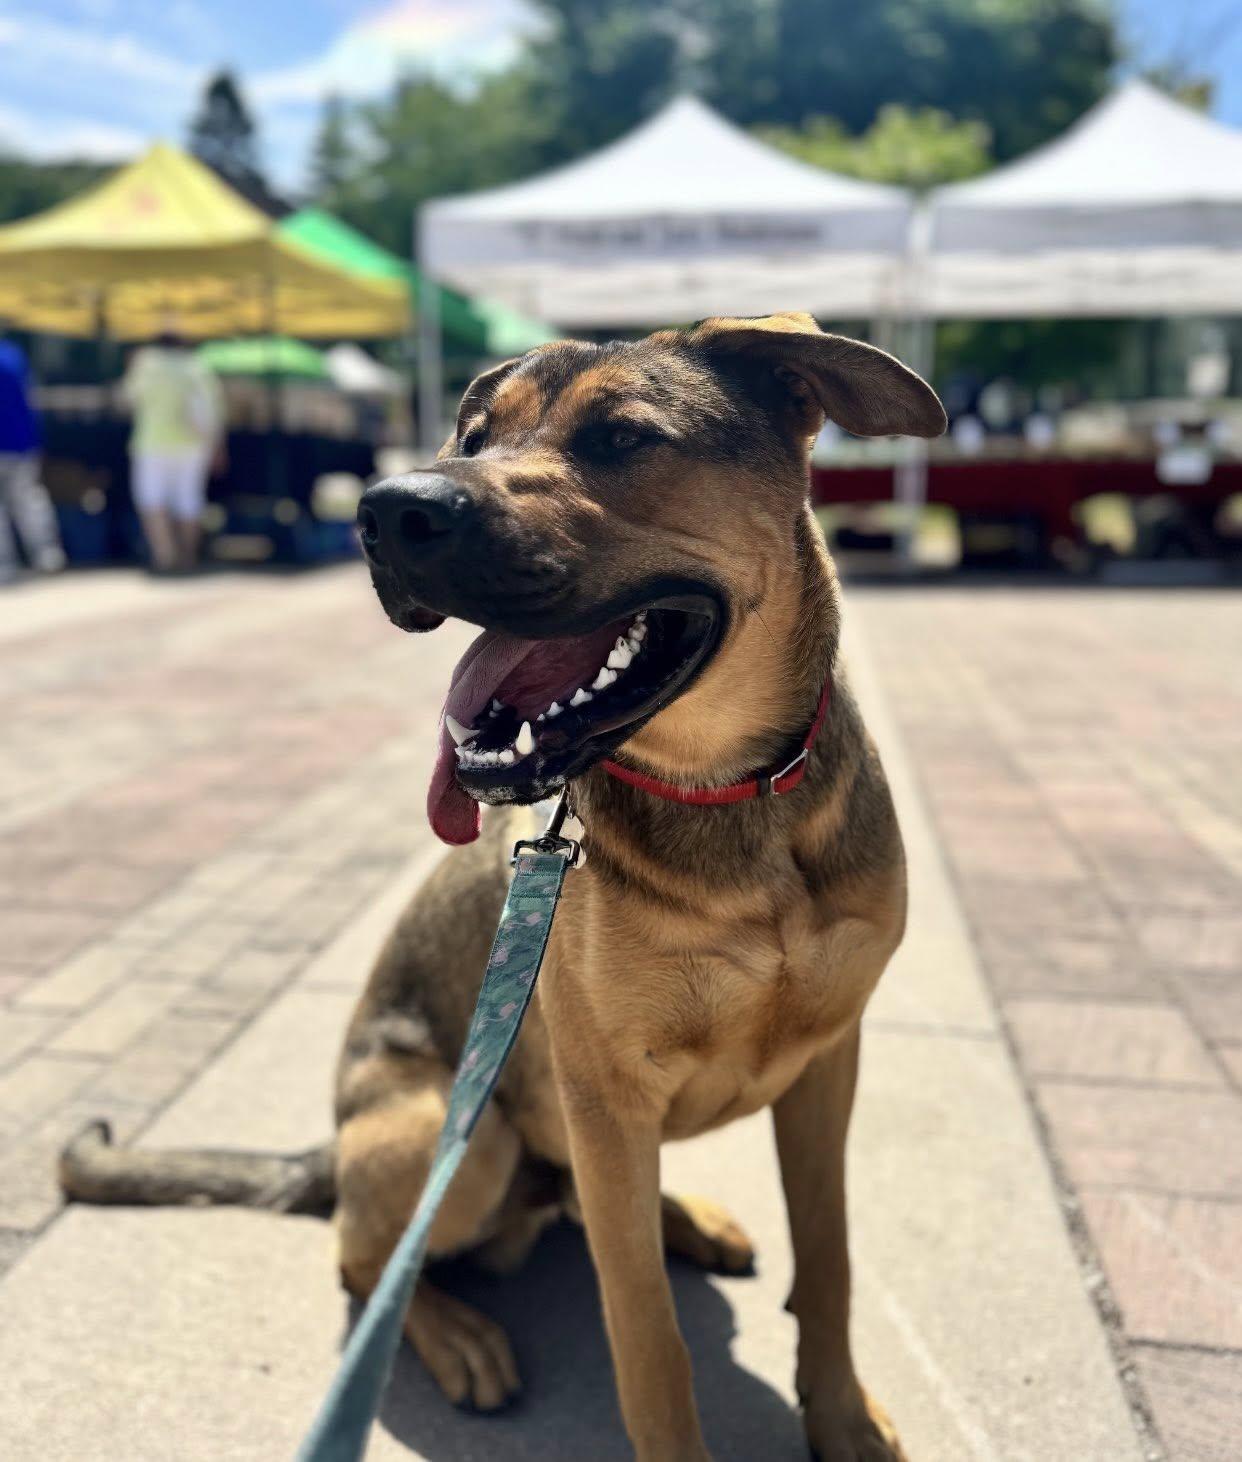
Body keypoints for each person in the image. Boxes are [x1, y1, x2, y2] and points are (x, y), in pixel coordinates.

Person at [122, 331, 223, 573]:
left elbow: (128, 398)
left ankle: (165, 556)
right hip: (193, 446)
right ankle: (188, 556)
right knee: (189, 502)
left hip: (152, 443)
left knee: (151, 501)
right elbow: (214, 411)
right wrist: (217, 446)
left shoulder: (146, 363)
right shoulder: (198, 367)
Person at [0, 332, 66, 583]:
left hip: (16, 442)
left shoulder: (12, 354)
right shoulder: (13, 354)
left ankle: (5, 564)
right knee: (29, 499)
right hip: (22, 442)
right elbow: (29, 396)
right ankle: (46, 554)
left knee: (20, 501)